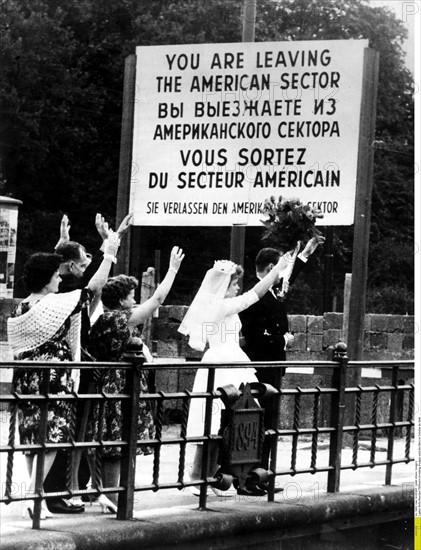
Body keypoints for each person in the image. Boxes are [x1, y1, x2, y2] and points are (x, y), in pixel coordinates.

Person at [7, 231, 120, 520]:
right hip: (53, 379)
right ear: (47, 279)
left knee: (34, 439)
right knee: (53, 439)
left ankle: (37, 497)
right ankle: (34, 498)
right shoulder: (53, 305)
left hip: (27, 378)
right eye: (56, 276)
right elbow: (94, 289)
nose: (60, 279)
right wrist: (109, 253)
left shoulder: (23, 306)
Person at [178, 247, 299, 496]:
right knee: (215, 421)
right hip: (223, 362)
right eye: (234, 284)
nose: (237, 288)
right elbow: (254, 294)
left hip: (229, 356)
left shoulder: (220, 307)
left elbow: (227, 333)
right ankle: (200, 476)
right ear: (225, 286)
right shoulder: (222, 306)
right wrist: (278, 268)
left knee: (223, 421)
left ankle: (207, 475)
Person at [43, 213, 132, 514]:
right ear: (69, 267)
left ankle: (71, 489)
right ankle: (58, 493)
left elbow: (86, 276)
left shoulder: (59, 285)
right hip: (69, 366)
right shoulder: (68, 290)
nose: (84, 267)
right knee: (66, 432)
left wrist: (106, 242)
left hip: (69, 364)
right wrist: (112, 243)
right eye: (80, 263)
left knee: (69, 432)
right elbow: (94, 285)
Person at [87, 246, 185, 508]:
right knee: (117, 439)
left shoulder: (102, 320)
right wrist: (172, 270)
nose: (134, 301)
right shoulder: (121, 319)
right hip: (120, 380)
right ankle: (111, 492)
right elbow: (157, 300)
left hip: (105, 380)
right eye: (131, 297)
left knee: (109, 437)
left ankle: (105, 490)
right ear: (121, 300)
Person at [239, 236, 325, 482]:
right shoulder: (254, 297)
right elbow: (255, 339)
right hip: (260, 369)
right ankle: (251, 476)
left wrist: (304, 254)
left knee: (268, 424)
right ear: (269, 270)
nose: (281, 275)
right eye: (278, 269)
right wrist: (283, 341)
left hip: (272, 368)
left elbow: (288, 279)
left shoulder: (271, 291)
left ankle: (261, 475)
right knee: (259, 423)